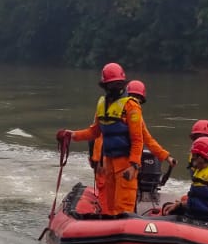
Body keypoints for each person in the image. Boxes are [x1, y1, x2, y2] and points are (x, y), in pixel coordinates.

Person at [57, 62, 144, 216]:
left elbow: (137, 139)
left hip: (125, 164)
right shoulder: (101, 104)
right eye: (111, 85)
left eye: (117, 84)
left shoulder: (131, 106)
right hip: (109, 162)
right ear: (105, 86)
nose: (114, 88)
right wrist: (72, 135)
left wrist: (134, 166)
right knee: (108, 206)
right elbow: (94, 132)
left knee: (123, 208)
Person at [162, 135, 208, 224]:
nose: (192, 158)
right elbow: (196, 199)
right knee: (167, 208)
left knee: (168, 221)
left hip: (205, 220)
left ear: (201, 158)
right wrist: (179, 204)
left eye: (194, 155)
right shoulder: (200, 172)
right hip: (194, 214)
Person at [126, 79, 173, 207]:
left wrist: (166, 156)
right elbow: (146, 140)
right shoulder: (131, 113)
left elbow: (147, 139)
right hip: (127, 164)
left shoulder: (112, 111)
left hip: (118, 162)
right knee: (125, 202)